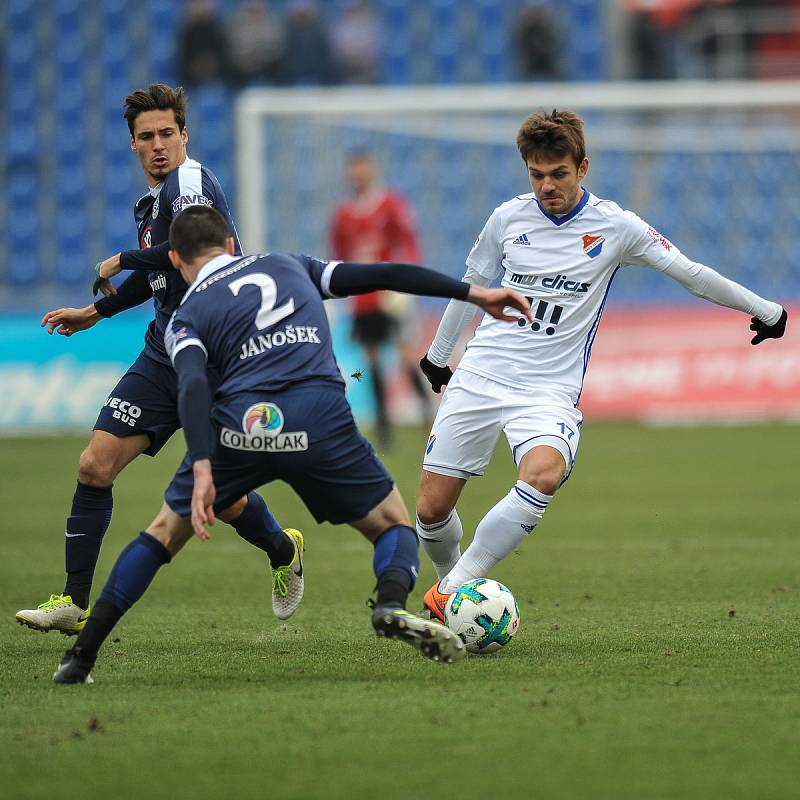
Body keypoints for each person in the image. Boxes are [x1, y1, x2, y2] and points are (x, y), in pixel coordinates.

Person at [51, 205, 534, 683]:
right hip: (320, 415)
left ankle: (80, 659)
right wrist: (474, 293)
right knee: (392, 525)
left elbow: (193, 387)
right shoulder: (290, 265)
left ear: (174, 261)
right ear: (233, 246)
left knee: (160, 536)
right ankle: (389, 604)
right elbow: (382, 273)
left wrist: (202, 466)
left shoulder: (186, 318)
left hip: (244, 426)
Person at [416, 109, 788, 622]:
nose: (547, 186)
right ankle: (449, 586)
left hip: (547, 391)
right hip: (482, 374)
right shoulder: (507, 218)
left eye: (559, 174)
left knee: (544, 474)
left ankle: (454, 590)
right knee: (432, 512)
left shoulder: (616, 227)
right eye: (537, 175)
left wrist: (765, 310)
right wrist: (439, 355)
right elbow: (469, 288)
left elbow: (692, 274)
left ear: (582, 167)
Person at [16, 84, 302, 636]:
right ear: (132, 145)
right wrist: (96, 312)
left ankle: (282, 549)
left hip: (215, 355)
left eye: (167, 133)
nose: (158, 145)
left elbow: (195, 253)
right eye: (146, 137)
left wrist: (121, 257)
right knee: (94, 465)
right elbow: (161, 274)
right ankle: (75, 602)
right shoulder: (151, 203)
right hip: (163, 350)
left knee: (222, 495)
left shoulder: (189, 182)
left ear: (184, 135)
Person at [330, 150, 432, 446]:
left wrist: (405, 283)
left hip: (390, 294)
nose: (358, 175)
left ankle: (428, 415)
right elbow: (339, 254)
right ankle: (384, 427)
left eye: (363, 169)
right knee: (371, 360)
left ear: (371, 171)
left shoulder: (390, 205)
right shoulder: (343, 215)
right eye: (354, 170)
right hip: (364, 297)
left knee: (403, 356)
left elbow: (409, 243)